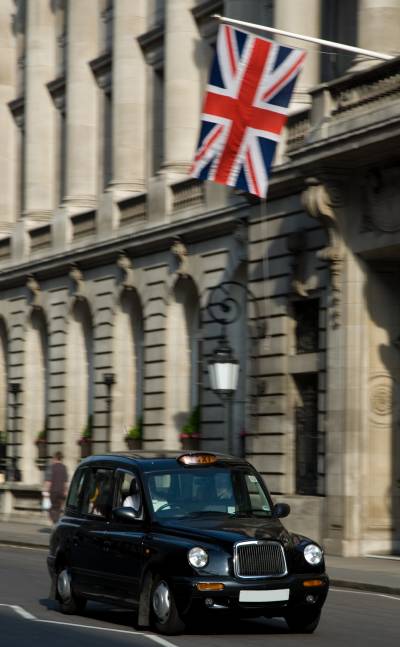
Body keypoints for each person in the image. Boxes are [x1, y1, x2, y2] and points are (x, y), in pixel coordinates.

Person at [43, 451, 68, 524]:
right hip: (61, 491)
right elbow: (65, 482)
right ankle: (58, 521)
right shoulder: (64, 468)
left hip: (53, 492)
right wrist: (66, 491)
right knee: (59, 508)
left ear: (55, 458)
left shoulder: (51, 467)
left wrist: (45, 490)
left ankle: (55, 522)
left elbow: (48, 481)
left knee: (51, 508)